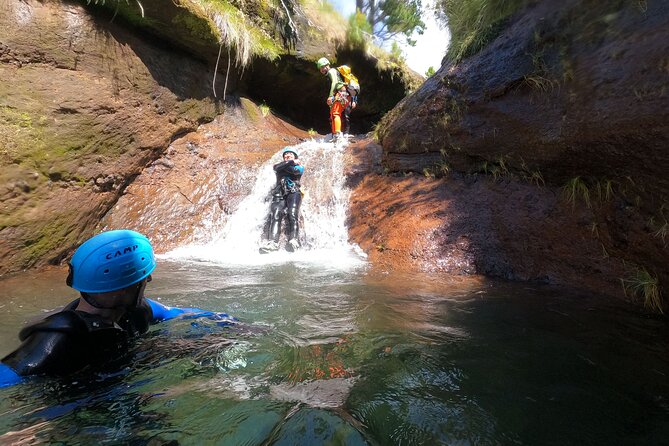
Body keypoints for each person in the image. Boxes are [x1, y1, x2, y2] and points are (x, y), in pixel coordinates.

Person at [0, 230, 233, 388]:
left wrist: (227, 321)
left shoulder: (133, 310)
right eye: (144, 279)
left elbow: (174, 313)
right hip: (72, 411)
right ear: (124, 289)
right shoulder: (59, 336)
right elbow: (8, 376)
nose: (149, 280)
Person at [261, 148, 304, 253]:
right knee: (275, 215)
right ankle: (273, 243)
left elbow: (295, 171)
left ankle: (293, 240)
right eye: (286, 154)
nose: (288, 155)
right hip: (278, 193)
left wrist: (287, 165)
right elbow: (276, 168)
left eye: (291, 154)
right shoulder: (279, 166)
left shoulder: (299, 167)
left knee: (292, 214)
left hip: (293, 192)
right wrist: (290, 162)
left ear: (295, 158)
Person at [316, 57, 358, 136]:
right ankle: (335, 134)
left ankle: (337, 135)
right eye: (320, 68)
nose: (321, 70)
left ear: (327, 65)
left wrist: (330, 96)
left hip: (342, 93)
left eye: (322, 67)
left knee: (335, 113)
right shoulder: (329, 74)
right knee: (333, 115)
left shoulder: (331, 71)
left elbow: (335, 82)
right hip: (340, 94)